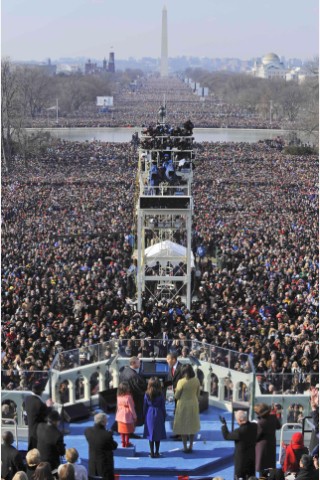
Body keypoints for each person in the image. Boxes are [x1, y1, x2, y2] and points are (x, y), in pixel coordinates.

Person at [220, 410, 257, 480]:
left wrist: (224, 425)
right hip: (251, 460)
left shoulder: (239, 432)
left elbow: (227, 436)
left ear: (239, 420)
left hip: (241, 463)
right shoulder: (254, 426)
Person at [173, 363, 200, 453]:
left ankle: (185, 447)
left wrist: (176, 391)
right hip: (193, 404)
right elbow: (198, 394)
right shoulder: (196, 380)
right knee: (192, 425)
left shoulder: (181, 382)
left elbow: (177, 396)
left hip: (183, 405)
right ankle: (191, 445)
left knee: (183, 426)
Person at [84, 413, 118, 480]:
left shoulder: (87, 431)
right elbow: (114, 446)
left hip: (92, 465)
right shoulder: (106, 435)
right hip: (104, 467)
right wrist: (108, 434)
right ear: (103, 422)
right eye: (106, 421)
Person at [118, 356, 147, 428]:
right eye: (139, 363)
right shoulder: (134, 376)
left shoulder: (124, 371)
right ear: (133, 363)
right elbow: (139, 389)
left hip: (123, 397)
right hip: (133, 399)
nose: (140, 364)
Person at [254, 402, 281, 477]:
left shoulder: (261, 423)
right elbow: (279, 426)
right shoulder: (273, 417)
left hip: (262, 448)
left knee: (262, 470)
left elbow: (256, 437)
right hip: (272, 445)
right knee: (271, 468)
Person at [143, 377, 167, 458]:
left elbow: (145, 406)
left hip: (149, 414)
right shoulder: (161, 394)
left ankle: (151, 452)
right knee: (158, 434)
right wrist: (164, 416)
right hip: (159, 413)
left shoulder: (146, 394)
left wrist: (144, 416)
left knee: (151, 434)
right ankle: (157, 452)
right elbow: (163, 407)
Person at [24, 381, 51, 450]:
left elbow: (35, 411)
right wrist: (48, 407)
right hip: (38, 432)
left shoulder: (27, 399)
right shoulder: (39, 404)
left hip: (31, 430)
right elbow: (46, 416)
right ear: (39, 391)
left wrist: (45, 406)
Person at [165, 352, 184, 439]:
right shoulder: (170, 367)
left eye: (168, 359)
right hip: (176, 395)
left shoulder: (182, 367)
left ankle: (182, 434)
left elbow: (185, 381)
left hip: (182, 396)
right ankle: (178, 432)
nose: (167, 360)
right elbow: (170, 380)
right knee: (177, 413)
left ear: (174, 359)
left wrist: (179, 388)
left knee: (181, 414)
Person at [115, 381, 137, 448]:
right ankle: (127, 442)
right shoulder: (129, 397)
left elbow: (118, 406)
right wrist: (135, 416)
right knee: (127, 430)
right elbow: (131, 408)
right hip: (127, 415)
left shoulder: (118, 397)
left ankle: (123, 442)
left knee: (122, 430)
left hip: (120, 414)